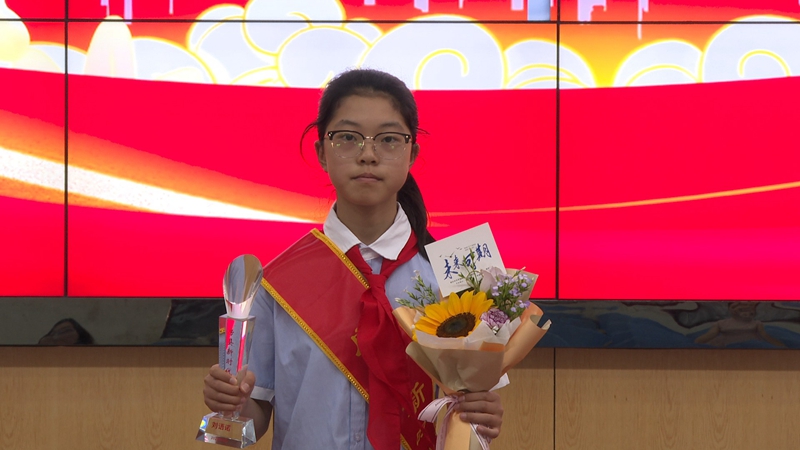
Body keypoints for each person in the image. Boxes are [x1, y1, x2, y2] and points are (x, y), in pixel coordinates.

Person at [202, 68, 504, 449]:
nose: (368, 155)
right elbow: (251, 422)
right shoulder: (276, 283)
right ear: (321, 153)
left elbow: (473, 410)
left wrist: (482, 415)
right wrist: (232, 406)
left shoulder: (459, 275)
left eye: (389, 140)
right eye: (348, 138)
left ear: (412, 153)